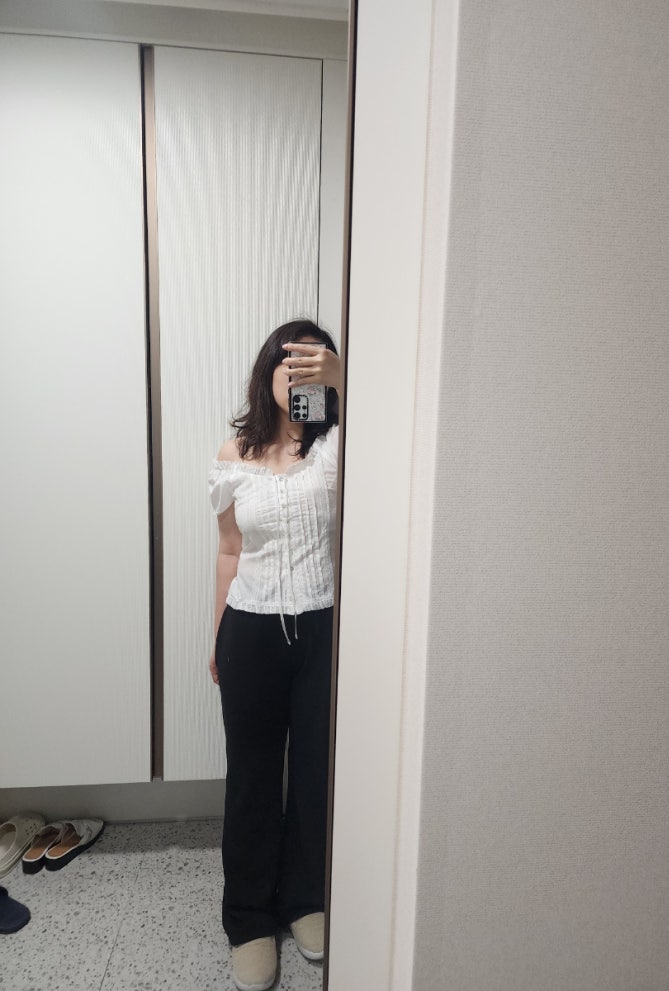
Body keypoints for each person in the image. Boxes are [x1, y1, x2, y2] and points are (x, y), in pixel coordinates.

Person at [208, 319, 341, 991]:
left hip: (323, 633)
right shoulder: (235, 453)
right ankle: (248, 917)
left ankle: (305, 897)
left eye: (316, 368)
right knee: (253, 778)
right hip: (252, 632)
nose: (302, 378)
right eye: (291, 366)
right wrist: (216, 637)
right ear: (267, 374)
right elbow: (229, 550)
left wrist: (344, 386)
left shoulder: (338, 448)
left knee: (317, 772)